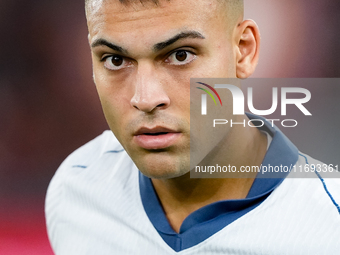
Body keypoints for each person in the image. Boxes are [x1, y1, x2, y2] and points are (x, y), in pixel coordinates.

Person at [45, 0, 340, 254]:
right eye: (115, 59)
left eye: (180, 55)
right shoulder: (75, 189)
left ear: (243, 51)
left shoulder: (329, 224)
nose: (145, 98)